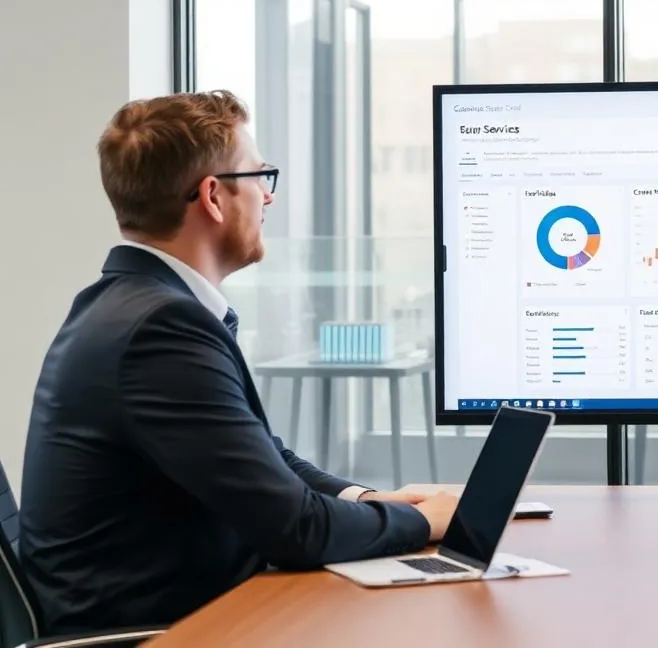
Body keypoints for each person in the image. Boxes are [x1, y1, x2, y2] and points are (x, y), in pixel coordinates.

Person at [20, 91, 457, 635]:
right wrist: (423, 520)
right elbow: (296, 530)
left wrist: (370, 500)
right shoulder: (158, 329)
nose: (267, 199)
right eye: (259, 177)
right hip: (161, 633)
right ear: (213, 197)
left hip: (196, 611)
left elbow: (264, 459)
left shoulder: (132, 304)